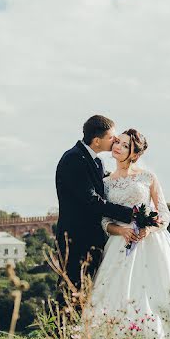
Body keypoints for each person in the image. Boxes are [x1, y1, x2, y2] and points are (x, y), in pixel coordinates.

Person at [85, 128, 170, 339]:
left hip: (152, 245)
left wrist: (148, 229)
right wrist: (122, 230)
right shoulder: (105, 182)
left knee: (154, 296)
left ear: (134, 154)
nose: (117, 146)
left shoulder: (148, 177)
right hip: (119, 244)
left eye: (125, 145)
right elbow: (104, 220)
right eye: (117, 142)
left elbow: (164, 213)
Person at [55, 115, 136, 293]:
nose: (115, 140)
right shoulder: (73, 159)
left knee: (88, 292)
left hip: (92, 238)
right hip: (75, 240)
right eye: (111, 137)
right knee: (71, 290)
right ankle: (62, 322)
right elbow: (91, 200)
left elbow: (109, 187)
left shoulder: (96, 161)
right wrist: (130, 214)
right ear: (97, 141)